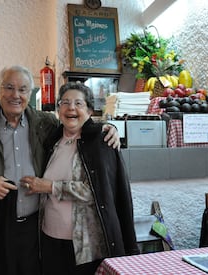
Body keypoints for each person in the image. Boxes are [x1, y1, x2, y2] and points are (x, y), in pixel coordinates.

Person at [0, 65, 120, 275]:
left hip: (36, 226)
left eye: (23, 89)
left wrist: (106, 127)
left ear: (29, 94)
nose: (16, 95)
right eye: (9, 88)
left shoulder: (45, 123)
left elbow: (76, 125)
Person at [20, 82, 140, 275]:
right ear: (58, 109)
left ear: (90, 110)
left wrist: (50, 187)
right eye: (65, 102)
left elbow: (97, 192)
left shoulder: (101, 141)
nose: (71, 108)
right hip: (49, 235)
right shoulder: (53, 141)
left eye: (78, 103)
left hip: (84, 245)